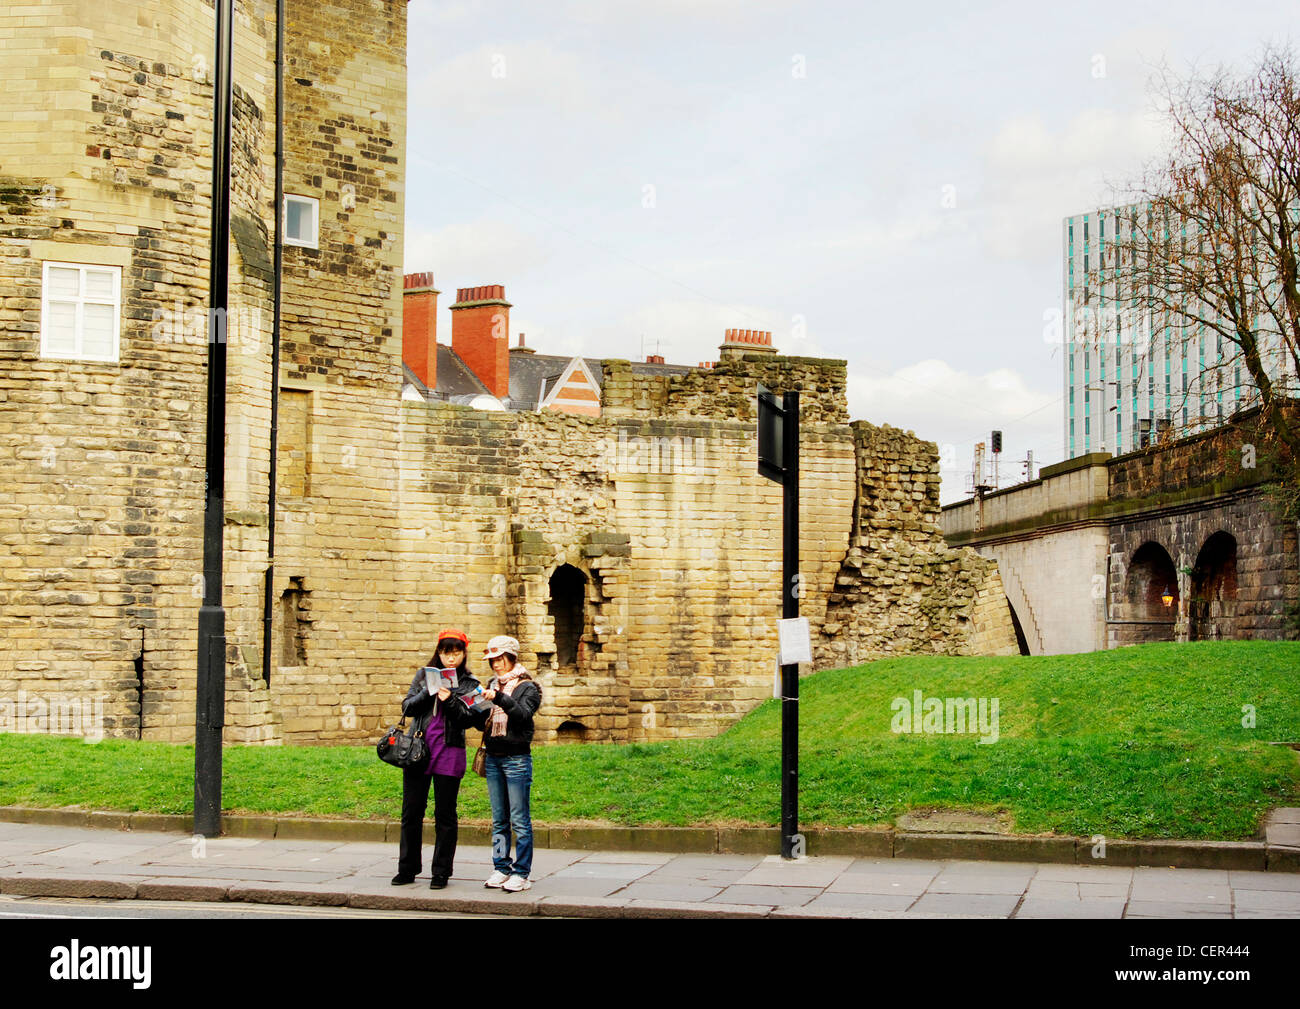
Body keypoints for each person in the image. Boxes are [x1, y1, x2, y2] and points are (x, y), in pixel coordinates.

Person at [392, 628, 484, 890]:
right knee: (411, 812)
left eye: (456, 653)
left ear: (464, 654)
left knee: (445, 814)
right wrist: (429, 691)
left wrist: (451, 700)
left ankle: (440, 872)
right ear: (439, 653)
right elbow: (407, 707)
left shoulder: (469, 682)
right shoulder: (424, 675)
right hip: (418, 750)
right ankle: (407, 868)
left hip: (449, 752)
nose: (451, 659)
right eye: (446, 653)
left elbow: (475, 721)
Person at [479, 634, 541, 893]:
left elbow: (523, 716)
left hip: (516, 758)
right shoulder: (492, 684)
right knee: (499, 818)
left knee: (519, 819)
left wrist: (499, 698)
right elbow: (482, 720)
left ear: (511, 657)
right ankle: (501, 866)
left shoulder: (529, 687)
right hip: (493, 758)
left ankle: (522, 872)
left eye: (499, 659)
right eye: (492, 660)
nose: (495, 664)